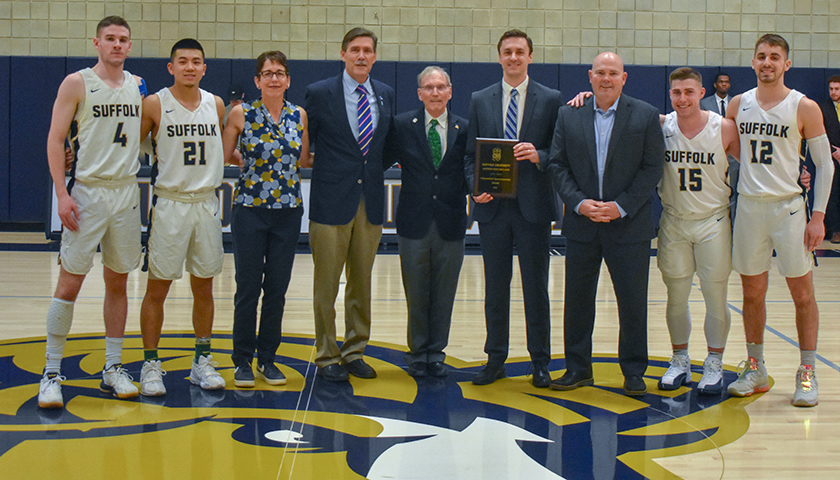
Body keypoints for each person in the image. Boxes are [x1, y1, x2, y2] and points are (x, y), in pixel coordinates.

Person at [38, 16, 146, 409]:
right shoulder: (77, 82)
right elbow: (54, 138)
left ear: (130, 46)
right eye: (110, 39)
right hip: (87, 192)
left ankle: (113, 367)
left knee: (118, 283)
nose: (117, 45)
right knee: (69, 284)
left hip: (126, 194)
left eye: (123, 40)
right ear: (97, 42)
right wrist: (61, 195)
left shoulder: (138, 86)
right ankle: (50, 372)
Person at [725, 34, 834, 407]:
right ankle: (755, 367)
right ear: (752, 63)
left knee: (802, 294)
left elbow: (824, 164)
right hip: (750, 208)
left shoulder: (804, 106)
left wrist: (817, 216)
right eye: (761, 56)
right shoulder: (738, 104)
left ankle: (807, 371)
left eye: (775, 57)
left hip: (789, 209)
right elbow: (725, 144)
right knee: (751, 293)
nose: (767, 62)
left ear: (787, 64)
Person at [548, 52, 664, 397]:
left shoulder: (645, 115)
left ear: (624, 78)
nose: (606, 78)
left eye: (613, 73)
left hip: (628, 225)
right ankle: (578, 368)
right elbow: (557, 165)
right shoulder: (569, 114)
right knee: (578, 300)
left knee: (631, 301)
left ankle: (632, 370)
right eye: (600, 72)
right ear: (590, 76)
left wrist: (621, 206)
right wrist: (581, 204)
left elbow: (652, 169)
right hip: (583, 223)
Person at [463, 29, 562, 388]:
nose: (514, 58)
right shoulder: (480, 98)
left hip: (533, 208)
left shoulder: (551, 99)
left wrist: (541, 155)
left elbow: (559, 153)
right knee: (495, 287)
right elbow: (469, 156)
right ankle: (495, 359)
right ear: (499, 56)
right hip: (492, 209)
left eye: (520, 52)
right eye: (508, 52)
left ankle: (540, 362)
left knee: (536, 288)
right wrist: (475, 189)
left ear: (530, 56)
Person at [303, 27, 396, 382]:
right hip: (330, 200)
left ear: (374, 56)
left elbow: (386, 148)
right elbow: (307, 143)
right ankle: (327, 354)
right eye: (354, 50)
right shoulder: (320, 92)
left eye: (367, 50)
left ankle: (355, 350)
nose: (361, 56)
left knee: (362, 281)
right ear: (342, 54)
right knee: (326, 283)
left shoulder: (385, 94)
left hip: (369, 200)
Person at [137, 39, 226, 396]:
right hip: (170, 202)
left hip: (206, 203)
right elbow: (138, 147)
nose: (190, 67)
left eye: (197, 62)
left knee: (204, 286)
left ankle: (201, 361)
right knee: (157, 286)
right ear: (170, 66)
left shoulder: (215, 104)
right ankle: (150, 364)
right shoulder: (155, 104)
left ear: (204, 68)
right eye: (183, 61)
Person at [222, 51, 310, 388]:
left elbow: (302, 159)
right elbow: (225, 152)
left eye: (280, 73)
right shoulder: (241, 113)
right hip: (249, 209)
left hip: (287, 212)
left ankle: (268, 359)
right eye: (267, 73)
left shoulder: (298, 115)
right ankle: (242, 360)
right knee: (247, 288)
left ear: (288, 80)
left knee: (276, 290)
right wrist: (242, 161)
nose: (274, 78)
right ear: (257, 80)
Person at [656, 67, 740, 394]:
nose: (682, 98)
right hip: (674, 220)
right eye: (677, 92)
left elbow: (754, 167)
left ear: (701, 93)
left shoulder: (725, 129)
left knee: (715, 297)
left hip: (713, 221)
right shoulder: (662, 125)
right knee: (676, 297)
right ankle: (679, 360)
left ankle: (714, 361)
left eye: (689, 92)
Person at [392, 66, 468, 378]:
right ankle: (417, 352)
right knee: (416, 291)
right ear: (420, 93)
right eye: (429, 87)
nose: (435, 93)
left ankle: (436, 352)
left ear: (450, 91)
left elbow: (474, 168)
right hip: (413, 221)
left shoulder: (465, 127)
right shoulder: (402, 125)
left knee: (444, 292)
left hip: (450, 222)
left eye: (440, 87)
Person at [701, 72, 740, 223]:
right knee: (713, 190)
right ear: (715, 85)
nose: (724, 84)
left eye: (727, 82)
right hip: (712, 154)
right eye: (721, 82)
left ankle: (734, 224)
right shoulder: (704, 103)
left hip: (733, 155)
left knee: (735, 191)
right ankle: (714, 222)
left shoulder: (737, 104)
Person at [818, 76, 840, 243]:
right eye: (831, 89)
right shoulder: (823, 108)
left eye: (837, 89)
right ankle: (834, 230)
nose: (834, 92)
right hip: (832, 157)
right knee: (833, 194)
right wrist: (834, 151)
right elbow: (820, 134)